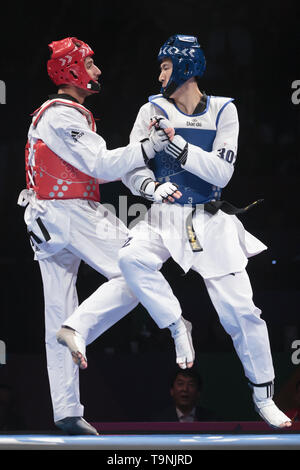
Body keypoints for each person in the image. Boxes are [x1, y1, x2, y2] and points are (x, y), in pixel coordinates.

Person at [18, 36, 194, 435]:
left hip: (51, 218)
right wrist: (151, 145)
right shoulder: (61, 114)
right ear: (73, 70)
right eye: (92, 64)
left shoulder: (65, 114)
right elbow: (101, 165)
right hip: (68, 213)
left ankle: (66, 411)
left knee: (56, 313)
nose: (98, 71)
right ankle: (79, 329)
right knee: (137, 271)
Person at [118, 34, 292, 429]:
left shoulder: (223, 111)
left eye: (164, 65)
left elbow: (222, 173)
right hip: (163, 214)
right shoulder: (150, 109)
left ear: (185, 67)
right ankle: (179, 326)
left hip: (210, 220)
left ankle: (263, 396)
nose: (159, 73)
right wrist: (150, 186)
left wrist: (178, 146)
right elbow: (131, 164)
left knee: (243, 313)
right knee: (130, 258)